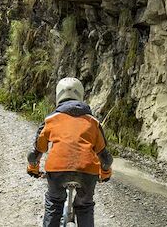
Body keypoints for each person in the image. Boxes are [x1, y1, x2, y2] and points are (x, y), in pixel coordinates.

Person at [26, 77, 113, 227]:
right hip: (87, 170)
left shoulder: (50, 120)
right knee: (84, 205)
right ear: (80, 94)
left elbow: (36, 151)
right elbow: (105, 156)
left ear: (59, 94)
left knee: (54, 202)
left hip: (57, 170)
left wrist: (33, 167)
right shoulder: (93, 122)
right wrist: (105, 173)